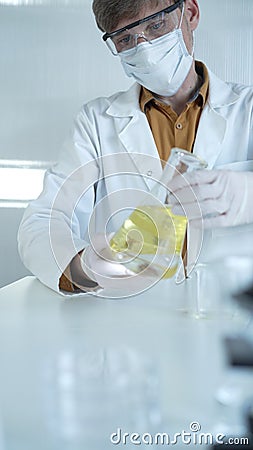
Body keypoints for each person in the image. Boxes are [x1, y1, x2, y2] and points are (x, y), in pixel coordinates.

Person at [18, 0, 253, 296]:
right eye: (125, 38)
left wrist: (246, 195)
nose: (144, 48)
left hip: (235, 310)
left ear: (190, 13)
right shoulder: (96, 122)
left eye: (156, 25)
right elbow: (43, 219)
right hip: (133, 312)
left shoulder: (249, 108)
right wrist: (82, 270)